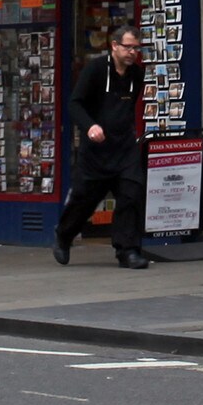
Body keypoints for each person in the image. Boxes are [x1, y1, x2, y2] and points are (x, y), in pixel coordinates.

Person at [55, 25, 149, 270]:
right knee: (84, 200)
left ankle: (128, 251)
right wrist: (91, 126)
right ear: (114, 45)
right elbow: (75, 104)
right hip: (96, 151)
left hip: (124, 148)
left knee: (131, 194)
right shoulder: (96, 70)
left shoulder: (136, 75)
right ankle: (64, 235)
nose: (132, 52)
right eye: (128, 47)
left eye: (136, 48)